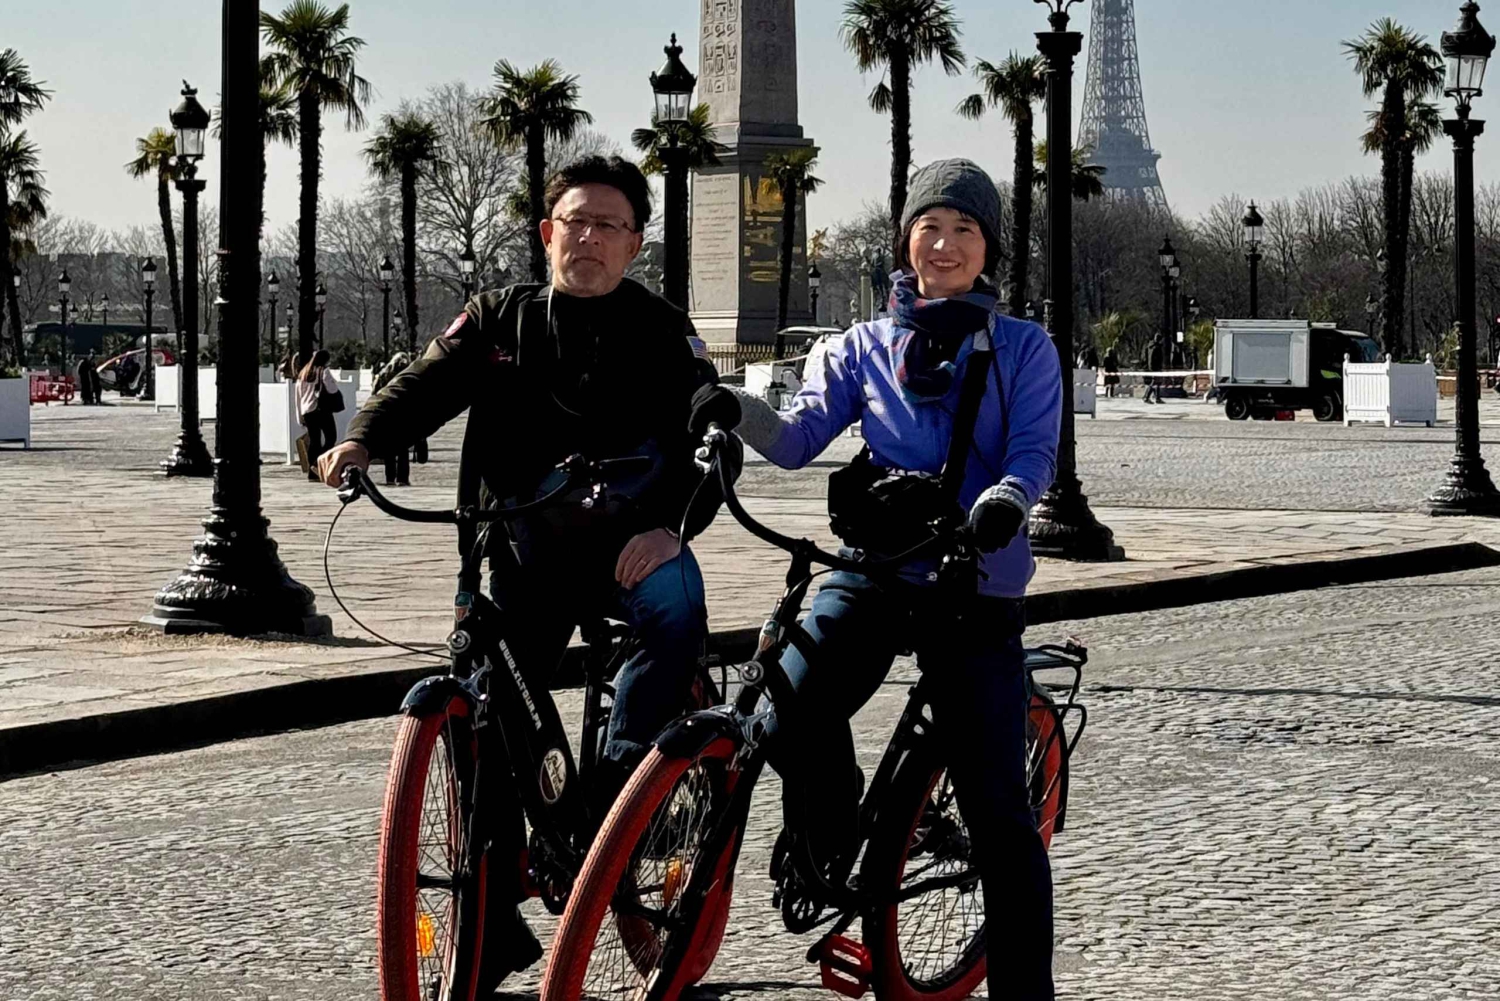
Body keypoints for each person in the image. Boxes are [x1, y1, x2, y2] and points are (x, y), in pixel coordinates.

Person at [315, 154, 731, 992]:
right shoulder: (498, 317)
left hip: (631, 549)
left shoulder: (663, 330)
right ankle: (492, 912)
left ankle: (625, 799)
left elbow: (711, 445)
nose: (588, 238)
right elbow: (424, 384)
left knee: (676, 611)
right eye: (574, 222)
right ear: (547, 233)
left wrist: (673, 529)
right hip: (519, 550)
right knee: (485, 713)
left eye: (608, 225)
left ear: (635, 244)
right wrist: (360, 439)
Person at [726, 158, 1061, 1000]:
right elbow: (797, 439)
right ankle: (833, 827)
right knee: (784, 708)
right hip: (879, 566)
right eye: (929, 227)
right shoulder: (861, 347)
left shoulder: (1025, 348)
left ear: (989, 249)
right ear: (905, 240)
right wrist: (727, 409)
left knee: (999, 816)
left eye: (964, 230)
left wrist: (1008, 499)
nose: (944, 245)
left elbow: (1032, 452)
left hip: (975, 580)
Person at [296, 349, 340, 482]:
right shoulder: (324, 371)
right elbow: (332, 389)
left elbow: (298, 397)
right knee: (331, 438)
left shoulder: (303, 374)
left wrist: (300, 416)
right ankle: (317, 464)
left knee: (314, 441)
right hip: (321, 410)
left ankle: (312, 473)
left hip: (307, 411)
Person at [370, 351, 413, 485]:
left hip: (386, 412)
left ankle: (390, 477)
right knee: (403, 447)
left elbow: (374, 393)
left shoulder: (383, 375)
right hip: (404, 413)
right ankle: (402, 478)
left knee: (389, 447)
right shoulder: (409, 374)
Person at [1144, 335, 1166, 403]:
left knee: (1157, 383)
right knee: (1154, 382)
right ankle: (1146, 397)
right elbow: (1154, 359)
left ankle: (1157, 398)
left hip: (1153, 367)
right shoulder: (1156, 348)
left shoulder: (1150, 347)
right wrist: (1157, 368)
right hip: (1156, 368)